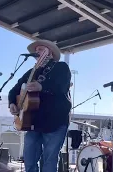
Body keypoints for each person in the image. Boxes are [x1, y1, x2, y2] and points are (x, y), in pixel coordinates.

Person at [8, 40, 72, 172]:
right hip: (33, 122)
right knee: (29, 159)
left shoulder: (61, 67)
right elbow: (14, 90)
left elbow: (62, 87)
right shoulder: (31, 72)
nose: (37, 52)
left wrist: (42, 87)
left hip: (55, 121)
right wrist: (12, 103)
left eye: (41, 49)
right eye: (36, 51)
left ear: (50, 53)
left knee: (49, 160)